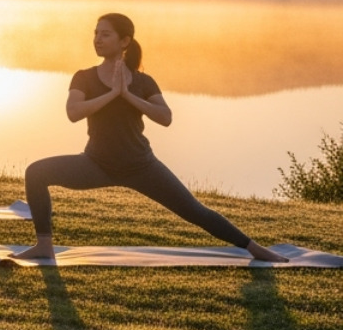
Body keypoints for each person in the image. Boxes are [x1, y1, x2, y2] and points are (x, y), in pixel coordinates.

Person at [14, 14, 287, 261]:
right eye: (95, 33)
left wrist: (128, 95)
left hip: (141, 166)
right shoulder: (84, 77)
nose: (97, 39)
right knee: (36, 173)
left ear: (125, 41)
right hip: (96, 164)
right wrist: (112, 94)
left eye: (105, 34)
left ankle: (253, 248)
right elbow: (73, 112)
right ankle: (44, 246)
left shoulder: (143, 82)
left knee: (195, 211)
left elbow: (165, 117)